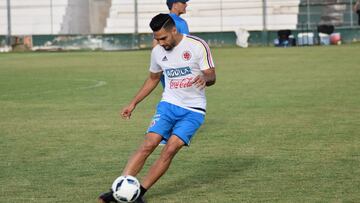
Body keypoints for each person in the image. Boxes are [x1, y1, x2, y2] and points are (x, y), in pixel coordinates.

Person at [98, 13, 216, 203]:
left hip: (194, 110)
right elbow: (153, 79)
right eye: (156, 39)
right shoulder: (157, 52)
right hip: (168, 105)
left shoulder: (197, 45)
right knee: (148, 144)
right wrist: (133, 103)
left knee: (170, 149)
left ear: (174, 31)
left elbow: (211, 75)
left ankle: (139, 193)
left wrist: (204, 78)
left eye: (163, 38)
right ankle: (119, 188)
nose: (160, 42)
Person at [158, 0, 190, 145]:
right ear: (175, 4)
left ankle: (167, 134)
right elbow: (186, 46)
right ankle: (164, 135)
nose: (186, 5)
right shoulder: (180, 23)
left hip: (165, 66)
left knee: (172, 98)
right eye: (183, 2)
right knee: (175, 99)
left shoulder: (163, 21)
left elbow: (156, 45)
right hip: (177, 68)